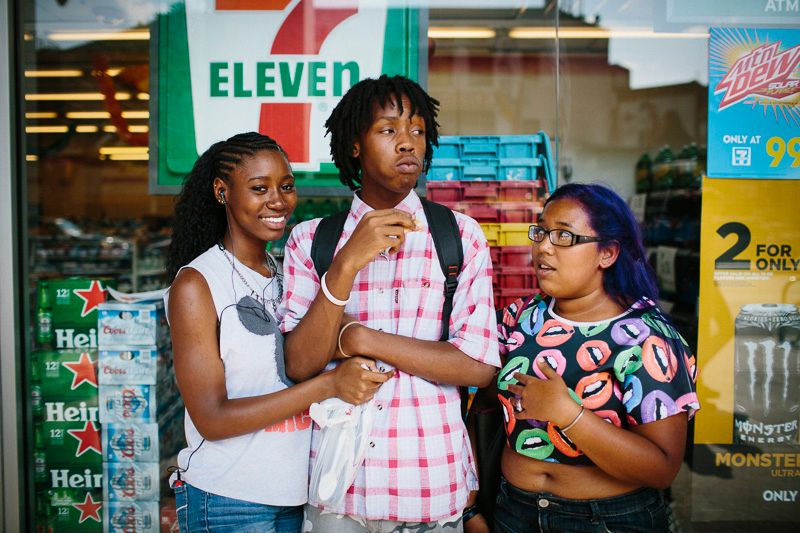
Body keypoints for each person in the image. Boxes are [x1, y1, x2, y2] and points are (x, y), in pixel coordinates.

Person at [279, 74, 501, 532]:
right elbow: (299, 365)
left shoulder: (458, 237)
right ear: (355, 145)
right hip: (337, 487)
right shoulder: (312, 240)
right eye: (388, 130)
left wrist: (360, 338)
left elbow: (479, 366)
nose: (407, 144)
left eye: (417, 131)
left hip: (431, 481)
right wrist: (344, 265)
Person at [164, 132, 391, 533]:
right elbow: (212, 418)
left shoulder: (285, 273)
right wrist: (330, 385)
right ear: (222, 192)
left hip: (292, 497)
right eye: (259, 188)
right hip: (227, 500)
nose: (278, 200)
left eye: (286, 186)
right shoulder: (197, 284)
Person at [471, 182, 699, 533]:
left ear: (607, 253)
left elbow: (663, 467)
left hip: (607, 520)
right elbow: (481, 407)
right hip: (513, 510)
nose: (544, 247)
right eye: (541, 232)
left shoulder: (647, 338)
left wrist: (569, 414)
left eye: (563, 236)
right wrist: (471, 506)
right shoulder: (519, 318)